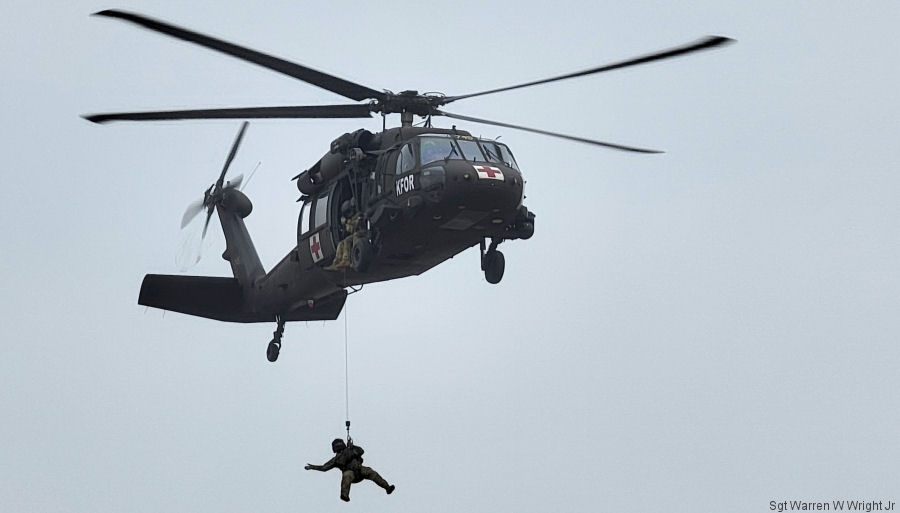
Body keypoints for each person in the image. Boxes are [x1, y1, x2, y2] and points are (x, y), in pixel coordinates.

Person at [305, 438, 395, 502]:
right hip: (351, 474)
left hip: (359, 470)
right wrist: (313, 467)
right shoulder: (336, 459)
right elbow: (324, 467)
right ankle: (344, 495)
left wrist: (352, 446)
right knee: (347, 475)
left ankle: (387, 487)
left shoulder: (350, 450)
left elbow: (361, 451)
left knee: (371, 472)